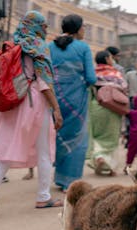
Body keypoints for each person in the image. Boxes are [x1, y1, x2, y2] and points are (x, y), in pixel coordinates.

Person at [0, 11, 63, 215]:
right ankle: (43, 197)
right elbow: (43, 83)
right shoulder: (39, 47)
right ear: (36, 26)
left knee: (6, 150)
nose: (45, 29)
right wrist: (56, 109)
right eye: (43, 25)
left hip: (12, 101)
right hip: (34, 103)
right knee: (44, 150)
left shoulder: (14, 44)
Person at [50, 14, 96, 192]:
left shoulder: (49, 47)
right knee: (77, 140)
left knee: (58, 137)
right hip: (77, 102)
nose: (85, 30)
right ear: (77, 28)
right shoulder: (83, 48)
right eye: (84, 26)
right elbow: (91, 78)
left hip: (55, 100)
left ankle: (59, 178)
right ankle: (71, 183)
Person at [87, 50, 127, 176]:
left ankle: (99, 156)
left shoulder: (92, 73)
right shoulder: (116, 73)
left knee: (97, 136)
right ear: (106, 59)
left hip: (96, 107)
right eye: (110, 57)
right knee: (112, 137)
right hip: (113, 108)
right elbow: (124, 89)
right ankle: (110, 168)